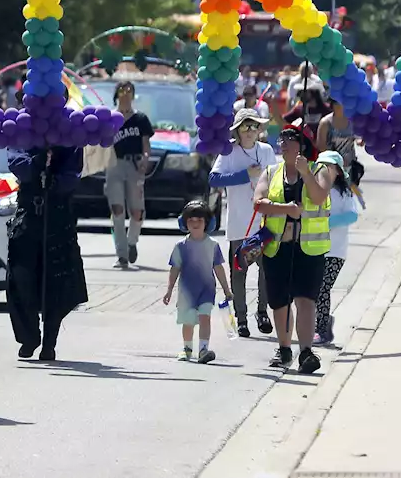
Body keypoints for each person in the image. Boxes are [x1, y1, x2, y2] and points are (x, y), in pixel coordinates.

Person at [253, 124, 335, 373]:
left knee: (306, 300)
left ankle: (306, 351)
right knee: (280, 302)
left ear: (303, 146)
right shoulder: (271, 172)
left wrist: (305, 173)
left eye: (291, 138)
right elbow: (258, 202)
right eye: (283, 138)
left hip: (309, 248)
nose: (284, 142)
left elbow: (320, 197)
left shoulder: (320, 170)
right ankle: (284, 348)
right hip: (278, 248)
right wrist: (286, 209)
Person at [5, 142, 86, 361]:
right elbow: (17, 164)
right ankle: (29, 336)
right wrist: (39, 159)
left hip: (59, 217)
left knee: (58, 283)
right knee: (20, 279)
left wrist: (56, 180)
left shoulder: (69, 135)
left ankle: (50, 342)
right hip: (28, 216)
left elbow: (74, 173)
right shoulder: (23, 131)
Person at [209, 108, 276, 337]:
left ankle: (262, 312)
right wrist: (243, 175)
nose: (249, 131)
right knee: (239, 272)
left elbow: (276, 179)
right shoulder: (229, 152)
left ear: (260, 129)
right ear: (237, 131)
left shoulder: (266, 151)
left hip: (263, 224)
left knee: (267, 270)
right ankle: (241, 318)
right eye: (245, 126)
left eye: (254, 126)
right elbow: (213, 178)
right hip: (239, 223)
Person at [164, 201, 233, 363]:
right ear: (184, 223)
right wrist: (169, 290)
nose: (195, 224)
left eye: (199, 220)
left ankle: (203, 349)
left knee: (204, 317)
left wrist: (226, 289)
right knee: (188, 321)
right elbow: (174, 269)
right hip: (187, 292)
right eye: (191, 220)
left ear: (207, 223)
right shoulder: (180, 246)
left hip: (206, 290)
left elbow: (218, 268)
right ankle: (187, 348)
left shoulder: (213, 245)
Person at [313, 151, 358, 346]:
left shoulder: (343, 192)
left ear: (338, 172)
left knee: (323, 289)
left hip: (335, 251)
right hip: (314, 248)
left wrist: (329, 221)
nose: (324, 171)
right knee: (313, 290)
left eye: (329, 167)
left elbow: (352, 215)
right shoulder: (312, 190)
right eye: (321, 166)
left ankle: (320, 330)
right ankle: (322, 321)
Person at [106, 81, 153, 267]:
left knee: (136, 211)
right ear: (116, 94)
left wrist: (145, 159)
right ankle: (122, 254)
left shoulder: (140, 119)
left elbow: (146, 146)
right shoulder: (109, 118)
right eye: (121, 91)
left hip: (134, 165)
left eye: (129, 91)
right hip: (114, 165)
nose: (125, 94)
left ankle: (132, 241)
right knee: (117, 209)